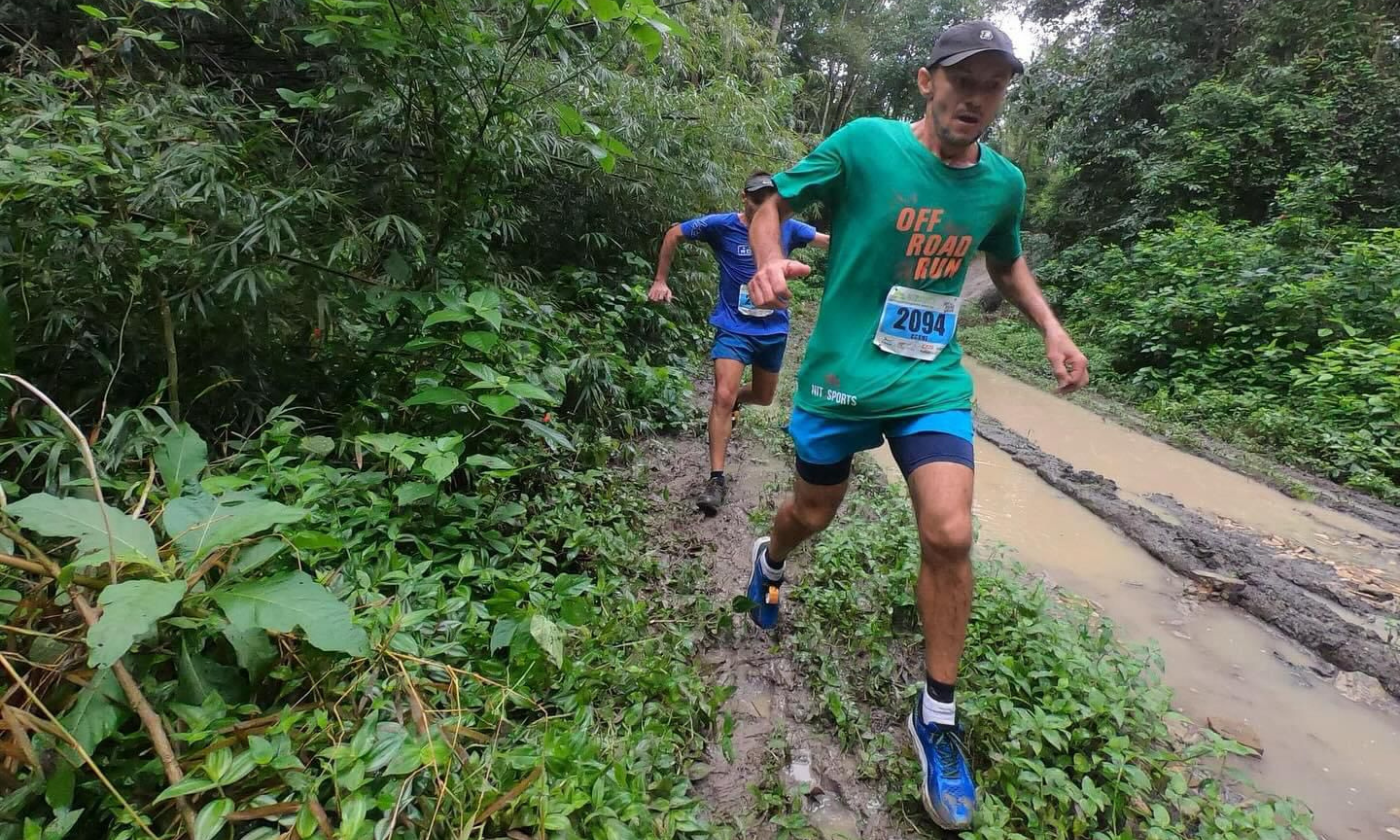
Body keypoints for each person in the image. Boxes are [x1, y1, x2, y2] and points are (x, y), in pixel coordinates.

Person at [741, 22, 1089, 830]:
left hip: (930, 380)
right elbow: (770, 196)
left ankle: (935, 718)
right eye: (965, 78)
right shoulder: (866, 145)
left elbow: (1004, 260)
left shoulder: (1002, 183)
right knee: (810, 515)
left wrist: (1051, 327)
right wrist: (765, 257)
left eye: (995, 83)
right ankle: (772, 556)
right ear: (928, 81)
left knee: (950, 531)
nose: (977, 96)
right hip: (840, 379)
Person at [649, 172, 830, 515]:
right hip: (733, 327)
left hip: (772, 330)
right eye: (757, 197)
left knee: (763, 397)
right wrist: (660, 280)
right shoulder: (721, 226)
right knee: (722, 394)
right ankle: (716, 479)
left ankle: (735, 403)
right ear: (743, 196)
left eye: (770, 198)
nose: (763, 204)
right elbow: (675, 233)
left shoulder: (788, 228)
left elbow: (827, 241)